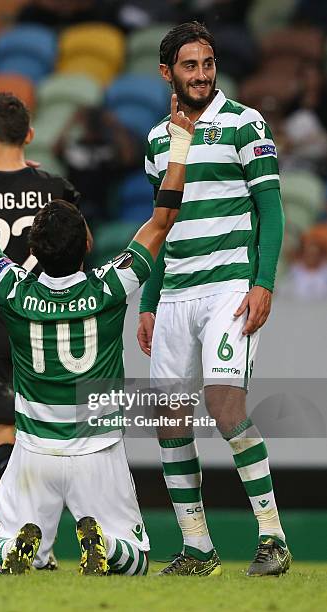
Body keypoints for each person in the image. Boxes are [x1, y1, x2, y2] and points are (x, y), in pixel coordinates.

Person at [0, 96, 195, 575]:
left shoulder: (12, 290)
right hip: (99, 450)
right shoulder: (110, 287)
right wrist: (180, 144)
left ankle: (14, 549)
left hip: (33, 452)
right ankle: (108, 549)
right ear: (88, 243)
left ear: (34, 248)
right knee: (134, 563)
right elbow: (161, 220)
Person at [137, 22, 291, 577]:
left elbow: (271, 211)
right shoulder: (157, 140)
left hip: (228, 290)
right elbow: (161, 224)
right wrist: (149, 300)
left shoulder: (246, 123)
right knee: (170, 422)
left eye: (207, 64)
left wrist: (263, 282)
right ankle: (197, 547)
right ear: (167, 74)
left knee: (226, 409)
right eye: (189, 66)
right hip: (174, 294)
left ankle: (272, 537)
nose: (201, 75)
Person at [0, 93, 80, 486]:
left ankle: (19, 509)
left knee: (0, 424)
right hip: (45, 329)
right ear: (30, 135)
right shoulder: (56, 188)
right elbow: (81, 246)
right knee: (54, 430)